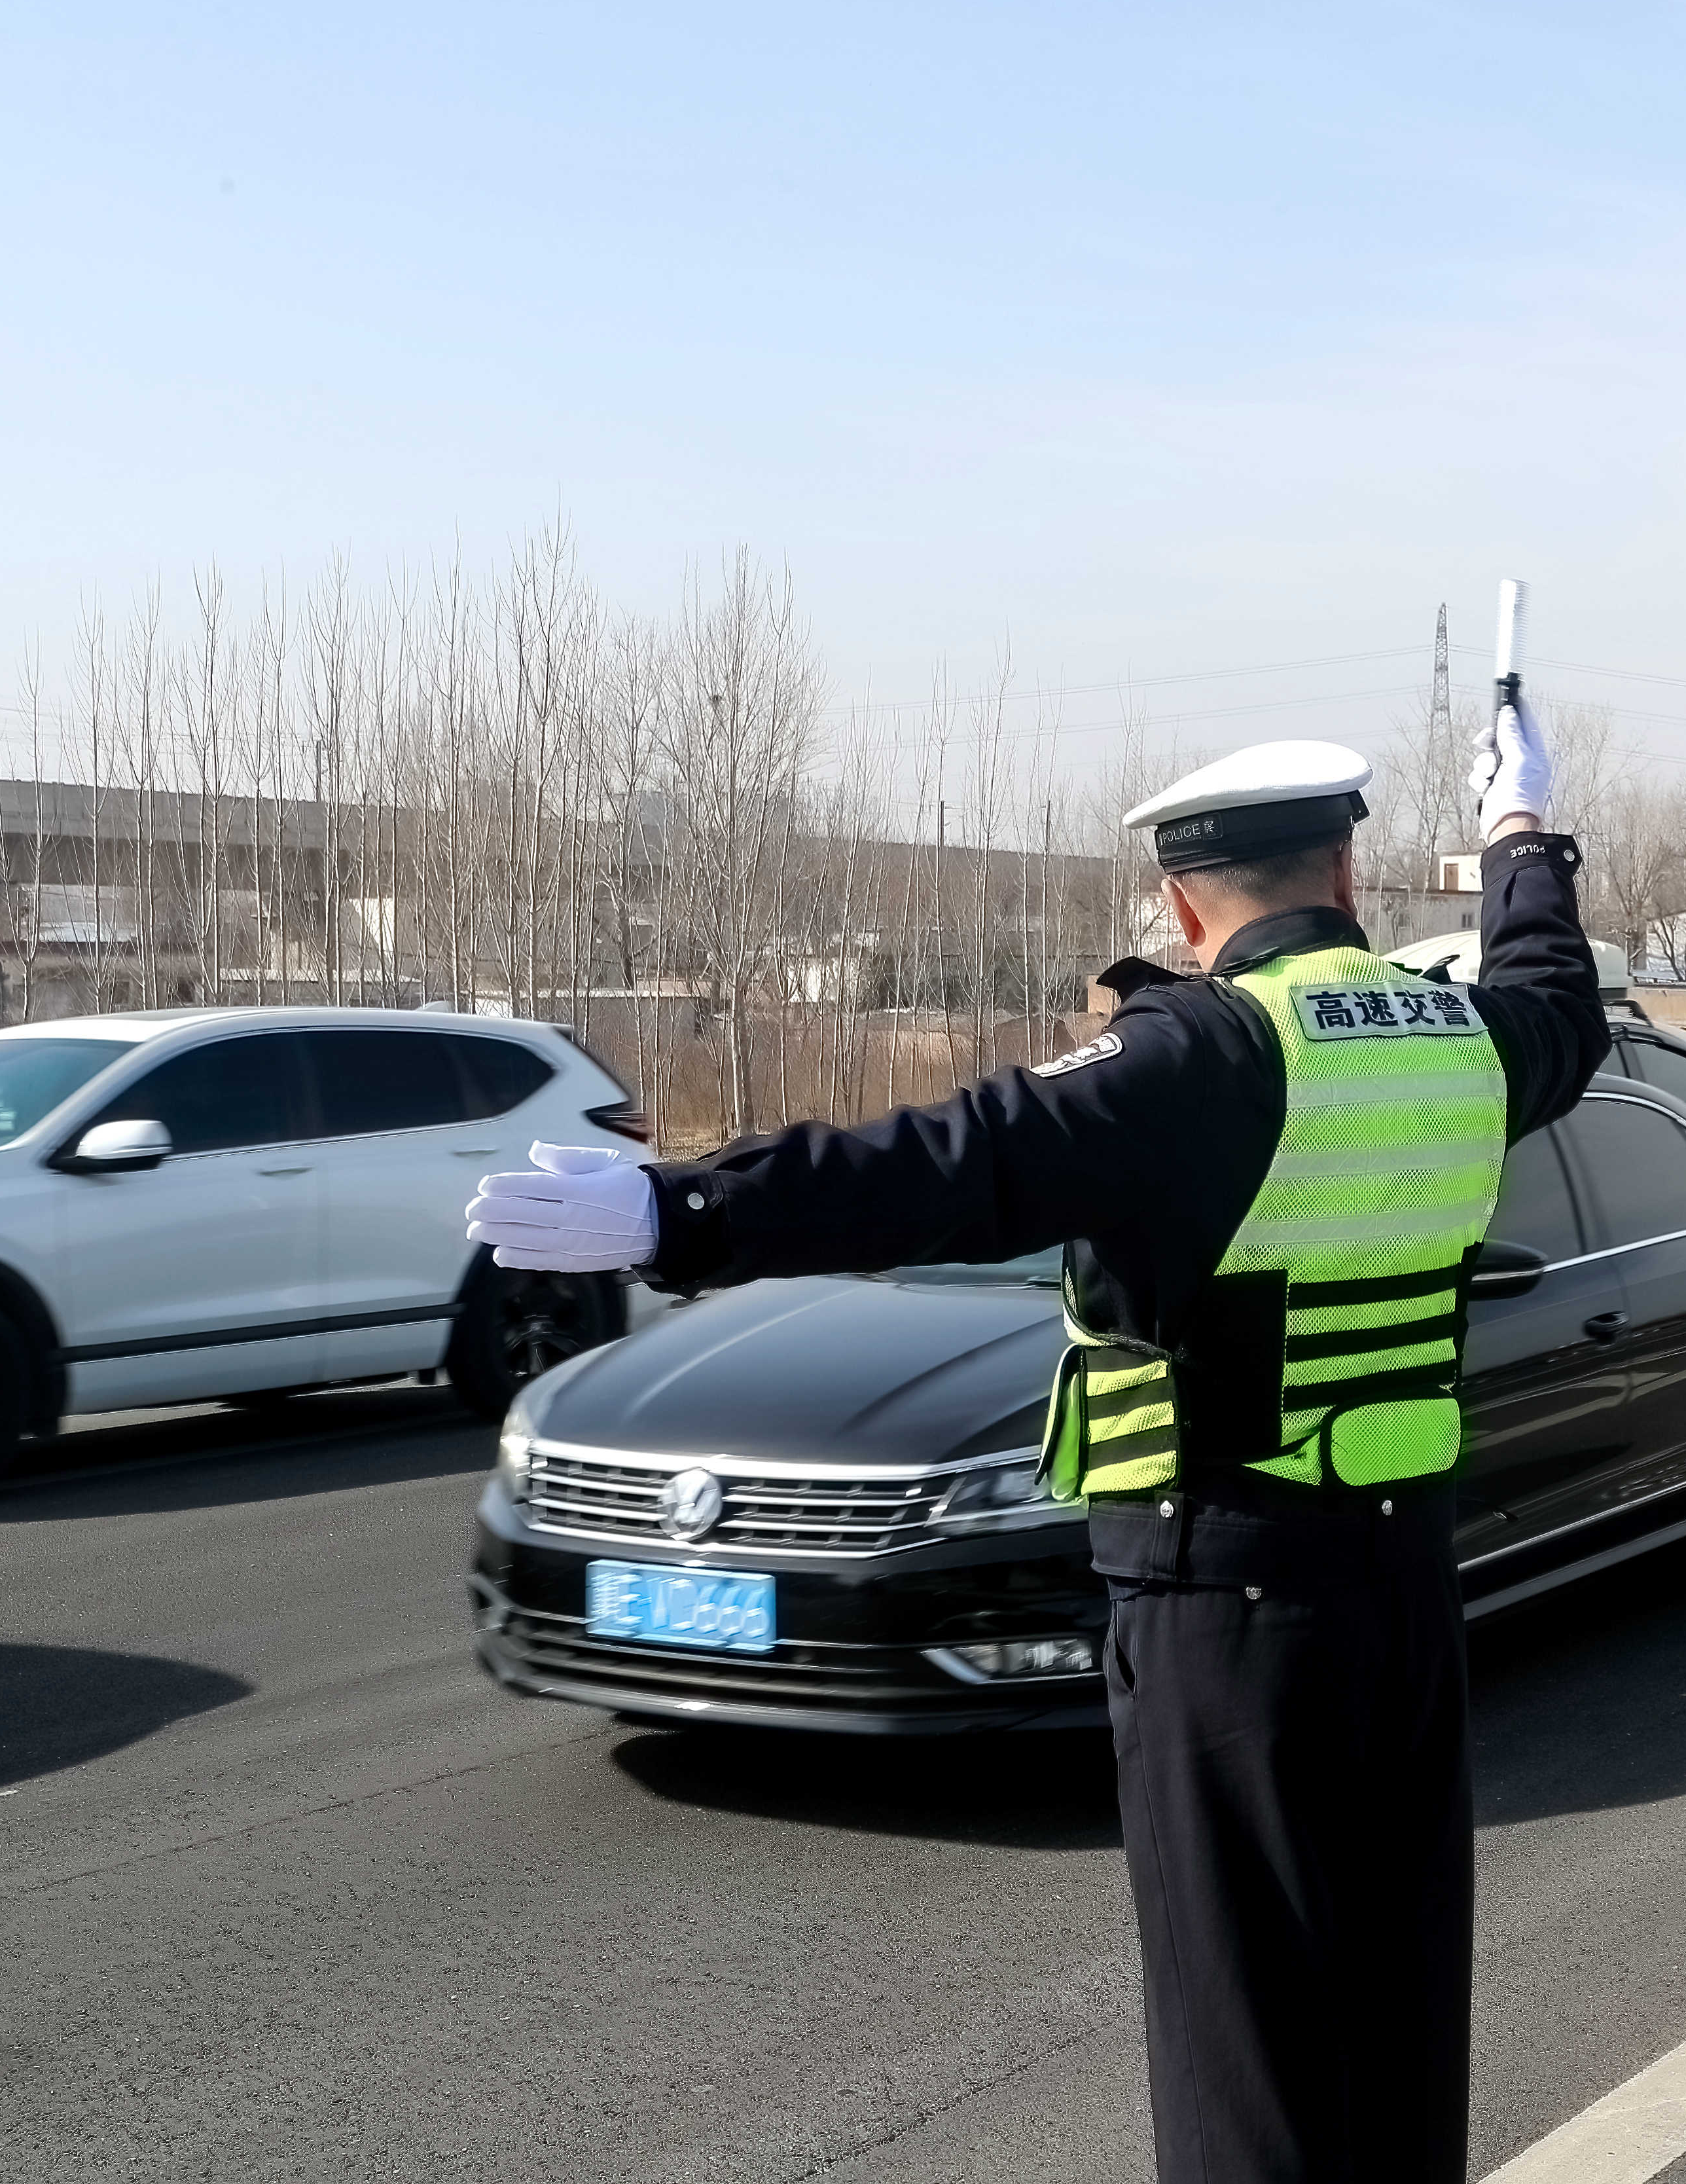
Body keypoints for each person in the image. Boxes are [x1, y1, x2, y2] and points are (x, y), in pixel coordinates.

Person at [464, 714, 1608, 2183]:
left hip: (1227, 1607)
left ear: (1188, 911)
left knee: (1245, 2039)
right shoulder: (1461, 1043)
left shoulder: (1202, 1054)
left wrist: (684, 1214)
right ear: (1349, 870)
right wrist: (1526, 845)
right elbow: (1556, 1003)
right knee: (1394, 2019)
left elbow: (956, 1163)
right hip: (1402, 1593)